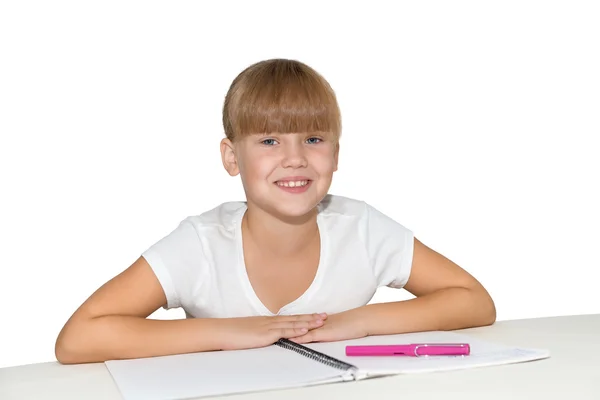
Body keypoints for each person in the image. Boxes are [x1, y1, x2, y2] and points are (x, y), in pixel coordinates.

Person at [55, 58, 496, 364]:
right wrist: (234, 332)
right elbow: (78, 338)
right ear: (231, 157)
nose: (295, 158)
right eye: (269, 141)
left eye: (314, 139)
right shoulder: (201, 244)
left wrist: (357, 322)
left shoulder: (361, 228)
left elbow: (474, 301)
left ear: (336, 155)